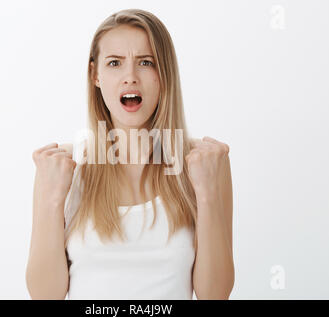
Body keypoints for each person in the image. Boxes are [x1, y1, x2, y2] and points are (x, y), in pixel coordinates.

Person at [26, 8, 234, 300]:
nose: (130, 77)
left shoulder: (205, 163)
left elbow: (215, 294)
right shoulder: (63, 166)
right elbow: (45, 296)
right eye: (115, 63)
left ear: (164, 74)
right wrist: (51, 201)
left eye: (146, 63)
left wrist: (208, 195)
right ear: (95, 75)